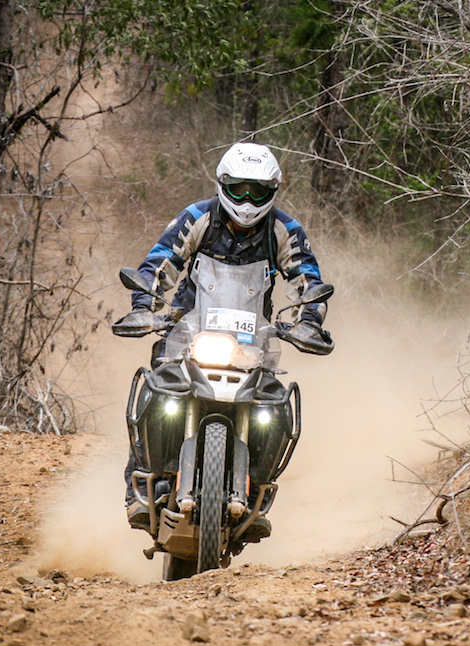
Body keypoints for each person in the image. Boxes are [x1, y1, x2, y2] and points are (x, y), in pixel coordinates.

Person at [114, 141, 333, 538]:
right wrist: (145, 304)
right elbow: (160, 261)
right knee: (155, 393)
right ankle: (140, 488)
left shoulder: (284, 230)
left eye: (258, 191)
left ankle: (257, 490)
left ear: (273, 191)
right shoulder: (196, 217)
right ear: (222, 185)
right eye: (239, 190)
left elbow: (309, 281)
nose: (248, 201)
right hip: (186, 333)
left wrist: (309, 321)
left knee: (274, 408)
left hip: (252, 344)